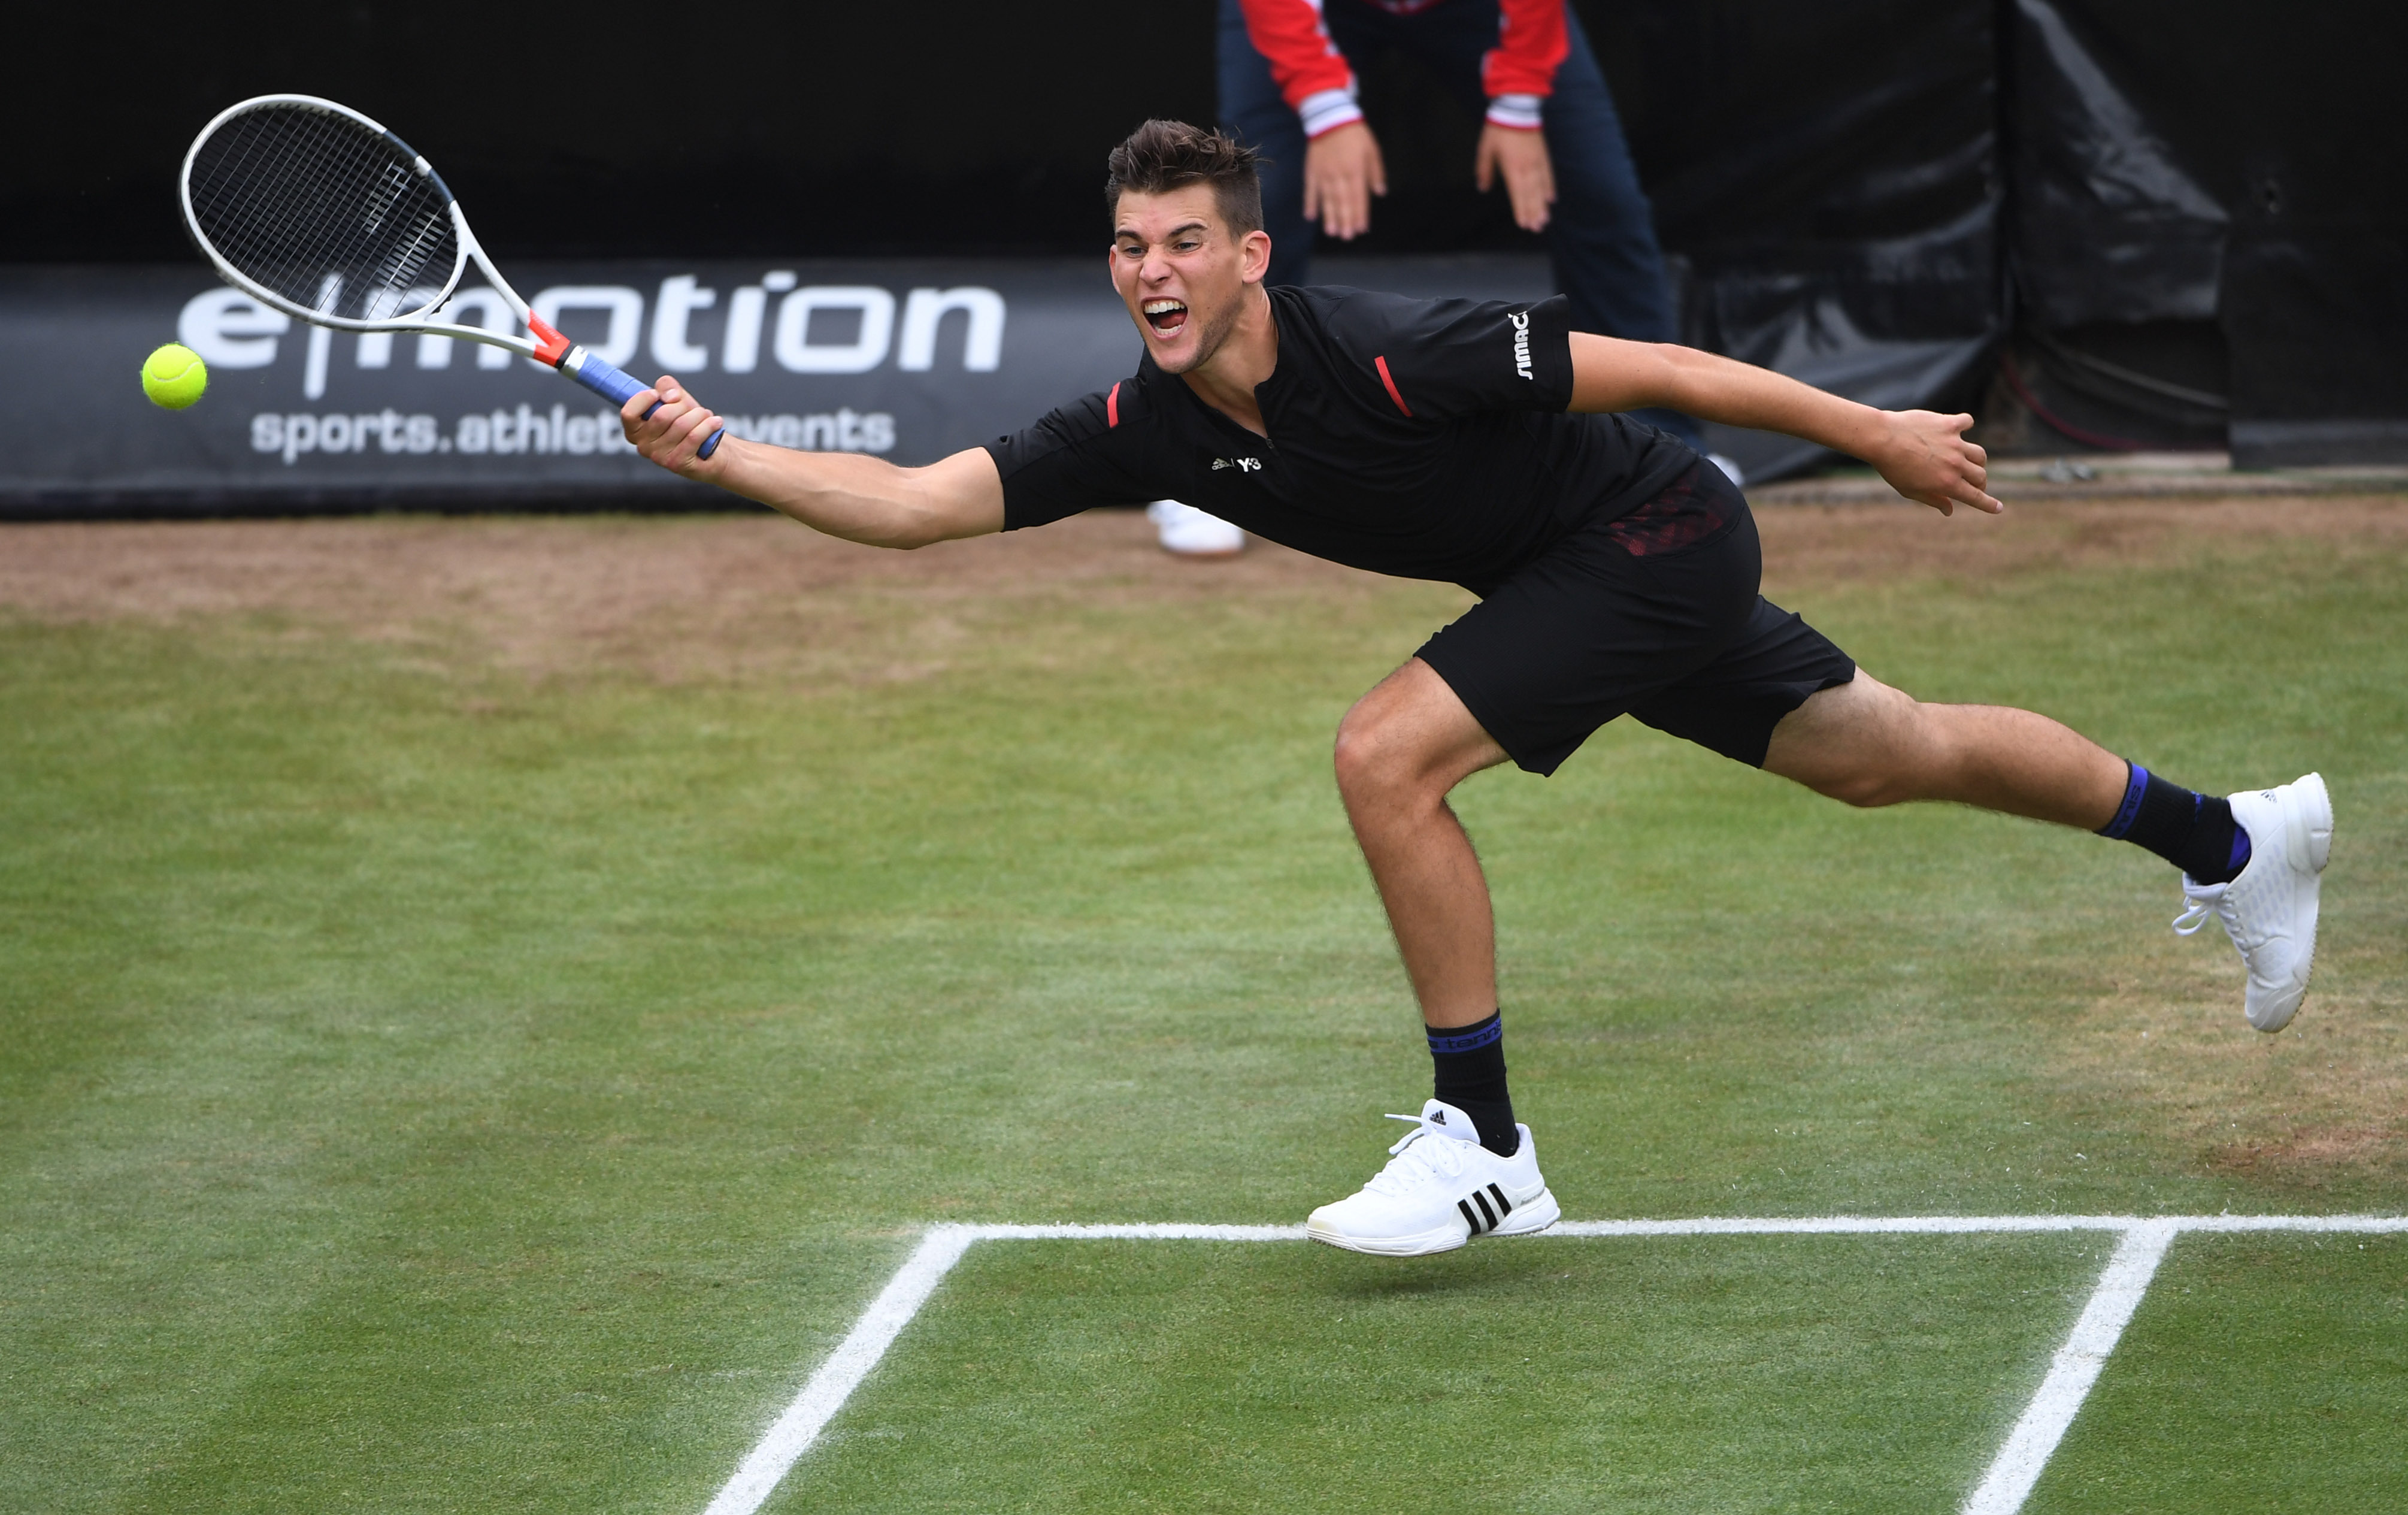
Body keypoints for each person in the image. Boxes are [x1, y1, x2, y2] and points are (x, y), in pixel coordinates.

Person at [619, 122, 2331, 1257]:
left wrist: (1873, 430)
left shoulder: (1389, 345)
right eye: (1131, 242)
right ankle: (2235, 839)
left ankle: (1485, 1137)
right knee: (1886, 753)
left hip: (1652, 529)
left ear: (1248, 256)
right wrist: (724, 456)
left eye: (1185, 242)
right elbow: (921, 508)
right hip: (1574, 580)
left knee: (1385, 757)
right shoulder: (1137, 426)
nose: (1150, 269)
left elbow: (1647, 363)